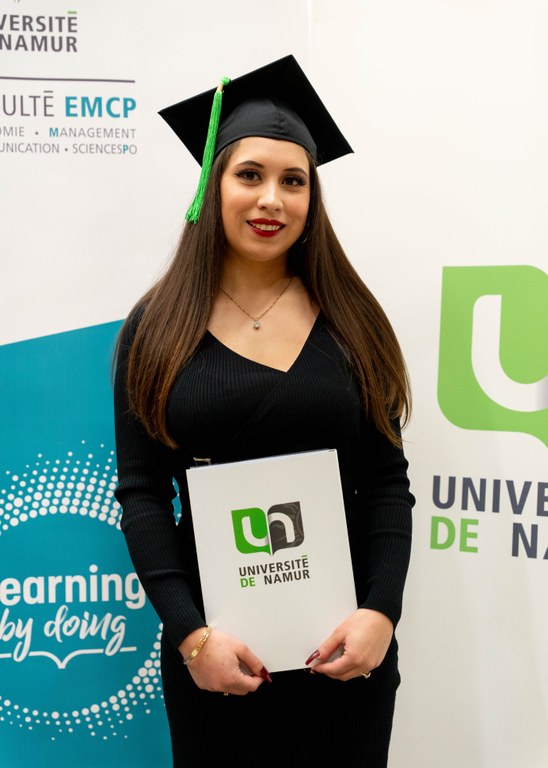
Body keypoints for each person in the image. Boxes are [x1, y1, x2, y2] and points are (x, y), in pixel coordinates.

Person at [114, 55, 414, 768]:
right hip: (218, 656)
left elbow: (386, 484)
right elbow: (143, 495)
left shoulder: (352, 320)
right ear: (213, 184)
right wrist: (192, 637)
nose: (271, 199)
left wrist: (380, 614)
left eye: (293, 181)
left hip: (343, 655)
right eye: (249, 175)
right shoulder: (156, 327)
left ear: (313, 197)